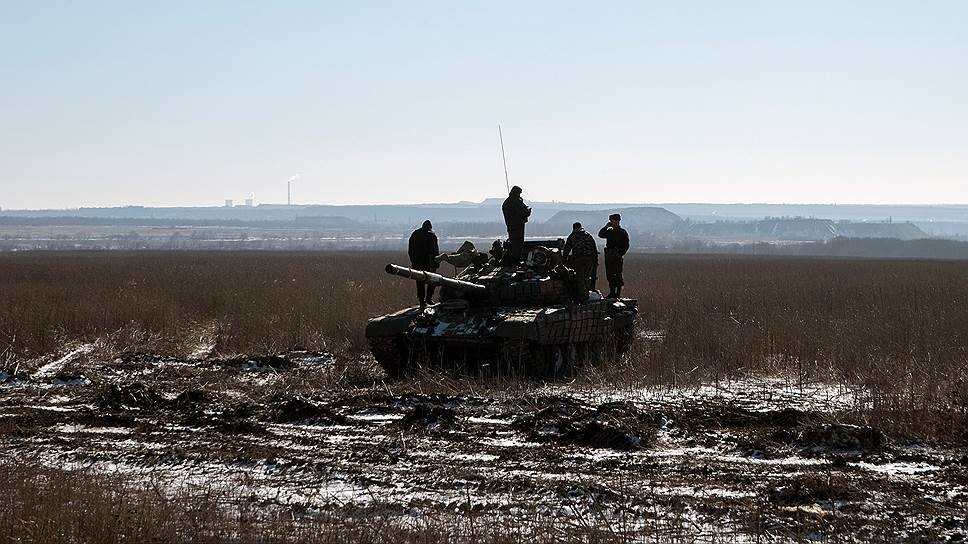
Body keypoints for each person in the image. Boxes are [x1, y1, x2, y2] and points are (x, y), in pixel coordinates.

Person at [562, 222, 598, 300]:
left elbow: (567, 249)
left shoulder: (572, 236)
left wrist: (564, 260)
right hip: (589, 259)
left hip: (579, 259)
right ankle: (587, 294)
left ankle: (582, 297)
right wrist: (595, 260)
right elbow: (594, 248)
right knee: (587, 277)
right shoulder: (588, 235)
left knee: (580, 278)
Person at [408, 220, 439, 306]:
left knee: (420, 282)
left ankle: (422, 301)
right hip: (429, 263)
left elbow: (410, 250)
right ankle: (429, 298)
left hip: (417, 263)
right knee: (432, 280)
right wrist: (436, 263)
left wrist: (413, 261)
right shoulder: (432, 236)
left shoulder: (414, 235)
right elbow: (435, 251)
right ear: (430, 227)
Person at [598, 213, 630, 298]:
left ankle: (618, 293)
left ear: (618, 221)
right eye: (612, 221)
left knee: (618, 274)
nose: (614, 222)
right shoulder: (609, 231)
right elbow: (600, 234)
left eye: (615, 221)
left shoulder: (622, 232)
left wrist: (620, 253)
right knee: (610, 274)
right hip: (609, 255)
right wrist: (606, 226)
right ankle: (612, 292)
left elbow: (626, 245)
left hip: (617, 256)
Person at [501, 186, 531, 264]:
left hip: (510, 226)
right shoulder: (515, 202)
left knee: (513, 244)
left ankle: (509, 260)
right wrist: (528, 210)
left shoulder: (507, 202)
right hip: (518, 226)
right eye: (519, 193)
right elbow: (525, 212)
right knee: (518, 245)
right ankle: (514, 261)